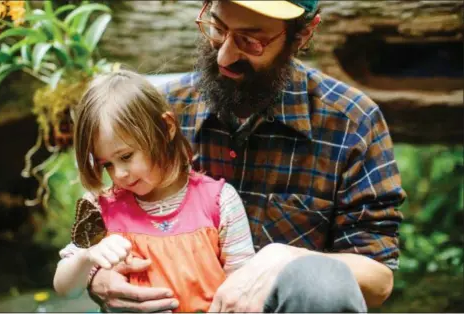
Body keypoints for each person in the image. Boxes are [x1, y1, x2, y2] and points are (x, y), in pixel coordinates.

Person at [61, 0, 407, 312]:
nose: (225, 56)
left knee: (321, 283)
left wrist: (282, 259)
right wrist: (97, 276)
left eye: (250, 40)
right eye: (218, 28)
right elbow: (96, 238)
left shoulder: (351, 122)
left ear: (302, 34)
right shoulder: (160, 114)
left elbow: (379, 280)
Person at [53, 70, 255, 313]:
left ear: (166, 127)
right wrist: (87, 256)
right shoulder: (101, 208)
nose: (119, 174)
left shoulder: (220, 202)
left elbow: (244, 289)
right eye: (106, 164)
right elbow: (65, 288)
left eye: (126, 156)